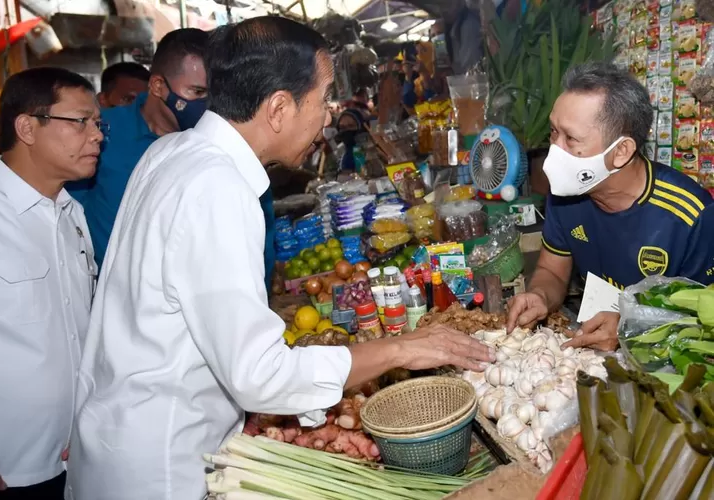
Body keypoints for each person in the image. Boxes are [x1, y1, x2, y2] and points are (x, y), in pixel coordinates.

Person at [69, 17, 494, 500]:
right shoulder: (216, 188)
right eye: (325, 97)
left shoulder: (172, 153)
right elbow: (259, 375)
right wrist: (400, 349)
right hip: (162, 465)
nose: (330, 114)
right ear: (278, 108)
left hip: (117, 437)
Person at [507, 61, 714, 352]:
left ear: (620, 152)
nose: (555, 151)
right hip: (594, 345)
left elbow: (704, 322)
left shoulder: (691, 216)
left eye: (571, 139)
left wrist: (633, 328)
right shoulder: (567, 194)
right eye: (553, 132)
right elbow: (552, 272)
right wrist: (539, 295)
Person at [0, 67, 101, 500]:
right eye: (81, 122)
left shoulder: (72, 215)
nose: (96, 135)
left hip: (72, 459)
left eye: (99, 124)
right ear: (26, 127)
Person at [67, 28, 209, 268]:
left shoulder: (211, 139)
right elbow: (68, 213)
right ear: (157, 86)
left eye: (211, 94)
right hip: (105, 291)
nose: (205, 103)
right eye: (197, 92)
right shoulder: (100, 132)